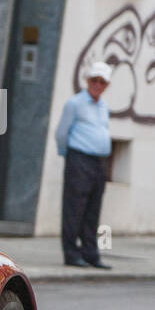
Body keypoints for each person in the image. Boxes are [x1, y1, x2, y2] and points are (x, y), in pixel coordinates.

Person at [56, 62, 112, 269]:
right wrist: (68, 155)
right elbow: (61, 132)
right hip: (79, 159)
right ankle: (71, 253)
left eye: (102, 81)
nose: (98, 84)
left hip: (99, 162)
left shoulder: (104, 106)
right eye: (94, 80)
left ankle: (91, 253)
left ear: (106, 85)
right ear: (88, 81)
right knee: (74, 208)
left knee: (93, 209)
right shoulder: (75, 103)